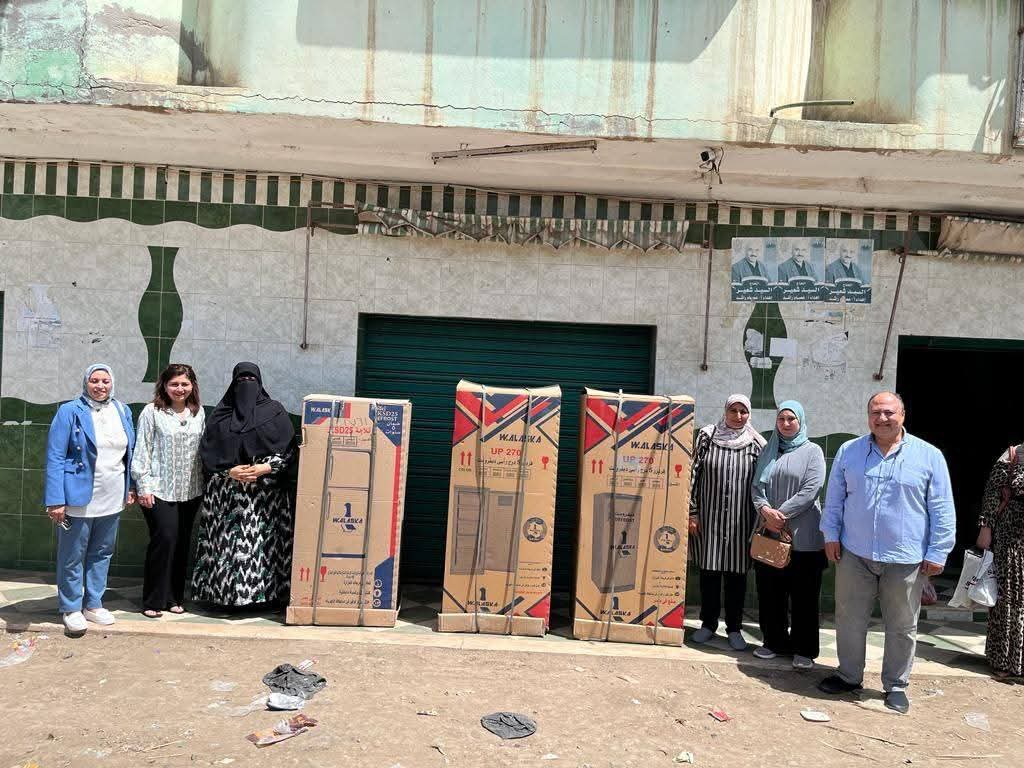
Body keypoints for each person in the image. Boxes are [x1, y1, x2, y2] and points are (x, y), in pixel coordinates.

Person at [819, 391, 955, 713]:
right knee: (849, 618)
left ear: (902, 415)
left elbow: (941, 507)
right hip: (855, 553)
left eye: (889, 412)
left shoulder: (929, 456)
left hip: (905, 558)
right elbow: (834, 498)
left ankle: (895, 685)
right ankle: (849, 676)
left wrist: (938, 550)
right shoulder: (849, 451)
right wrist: (830, 534)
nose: (882, 418)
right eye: (875, 412)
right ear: (868, 417)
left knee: (902, 625)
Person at [190, 363, 296, 609]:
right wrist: (229, 471)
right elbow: (207, 455)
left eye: (251, 379)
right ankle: (223, 597)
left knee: (263, 547)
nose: (246, 384)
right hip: (225, 495)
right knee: (225, 548)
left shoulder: (275, 412)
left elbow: (290, 450)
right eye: (241, 380)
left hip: (265, 497)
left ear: (259, 383)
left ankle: (263, 598)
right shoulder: (220, 416)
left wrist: (266, 467)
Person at [44, 364, 136, 636]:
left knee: (102, 552)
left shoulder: (122, 410)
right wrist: (55, 499)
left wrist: (130, 487)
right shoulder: (69, 411)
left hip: (112, 493)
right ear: (86, 383)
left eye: (105, 381)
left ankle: (93, 603)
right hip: (78, 495)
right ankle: (71, 607)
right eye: (94, 380)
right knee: (72, 555)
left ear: (112, 383)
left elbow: (129, 454)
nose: (100, 386)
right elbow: (55, 456)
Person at [750, 401, 826, 668]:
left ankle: (804, 650)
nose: (785, 423)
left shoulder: (812, 451)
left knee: (804, 596)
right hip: (771, 535)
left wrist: (779, 515)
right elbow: (756, 487)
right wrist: (764, 510)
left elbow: (811, 489)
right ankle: (774, 642)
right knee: (770, 591)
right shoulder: (769, 450)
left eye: (791, 419)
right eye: (781, 418)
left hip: (804, 538)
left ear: (800, 421)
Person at [689, 394, 767, 650]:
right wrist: (692, 512)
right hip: (709, 519)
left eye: (743, 411)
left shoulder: (757, 444)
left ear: (749, 414)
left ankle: (734, 628)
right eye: (733, 410)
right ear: (725, 411)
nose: (738, 416)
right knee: (709, 574)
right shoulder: (707, 437)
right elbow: (693, 474)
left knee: (737, 577)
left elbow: (762, 483)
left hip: (740, 522)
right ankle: (708, 624)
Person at [131, 364, 206, 619]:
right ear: (164, 385)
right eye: (174, 384)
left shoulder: (198, 412)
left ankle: (174, 597)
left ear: (192, 386)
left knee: (182, 543)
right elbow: (142, 449)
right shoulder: (152, 412)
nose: (179, 389)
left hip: (190, 490)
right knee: (165, 539)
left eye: (185, 384)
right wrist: (143, 486)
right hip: (159, 490)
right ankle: (153, 599)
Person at [977, 444, 1024, 679]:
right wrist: (986, 527)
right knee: (1008, 596)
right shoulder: (1013, 454)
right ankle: (1003, 659)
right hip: (1011, 536)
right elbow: (993, 494)